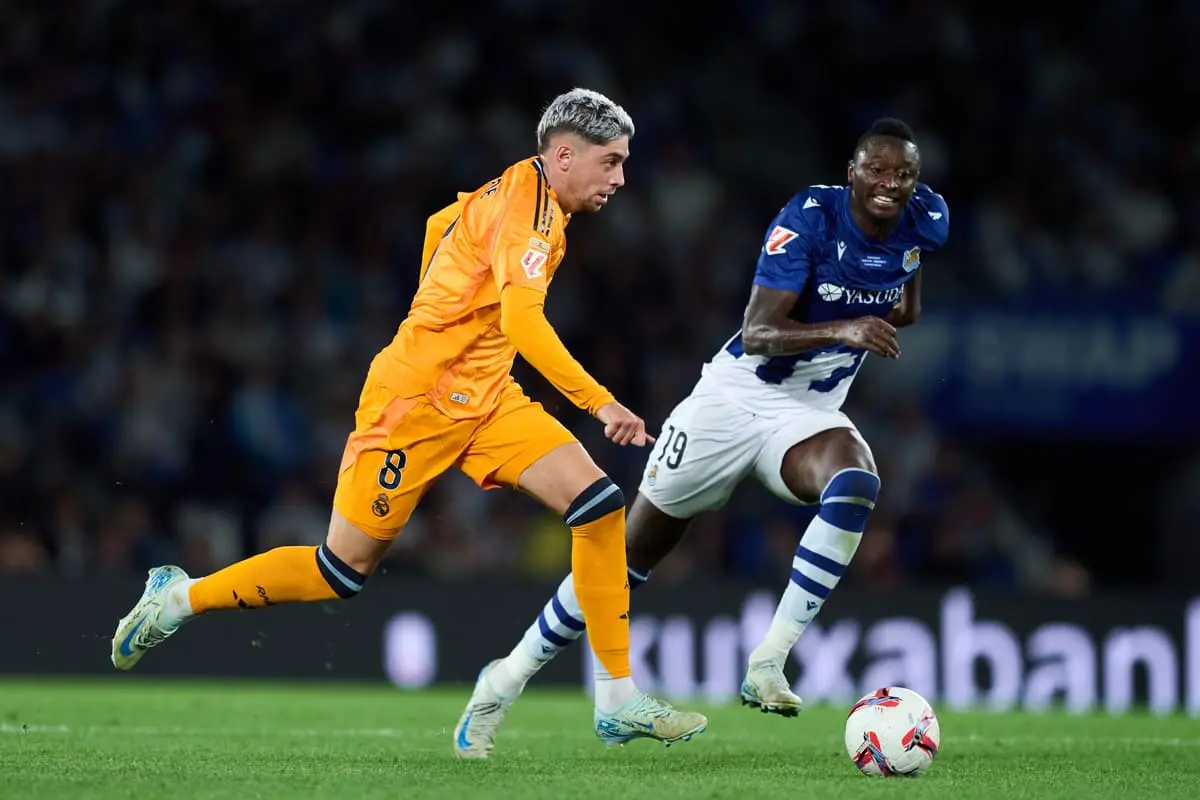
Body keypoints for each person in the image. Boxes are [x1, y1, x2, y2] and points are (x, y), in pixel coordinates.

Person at [109, 88, 708, 753]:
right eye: (612, 161)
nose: (621, 178)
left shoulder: (518, 194)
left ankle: (617, 696)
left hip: (485, 397)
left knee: (598, 506)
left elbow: (437, 226)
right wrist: (601, 402)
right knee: (341, 571)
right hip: (415, 405)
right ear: (564, 155)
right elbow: (522, 321)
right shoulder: (529, 215)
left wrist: (447, 315)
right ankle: (180, 598)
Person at [453, 117, 949, 757]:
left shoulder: (925, 220)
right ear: (852, 171)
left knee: (856, 482)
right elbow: (761, 329)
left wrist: (882, 310)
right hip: (731, 400)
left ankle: (768, 661)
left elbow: (905, 303)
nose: (890, 184)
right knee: (624, 560)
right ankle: (504, 679)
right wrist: (846, 328)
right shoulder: (809, 218)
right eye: (877, 170)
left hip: (808, 412)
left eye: (903, 174)